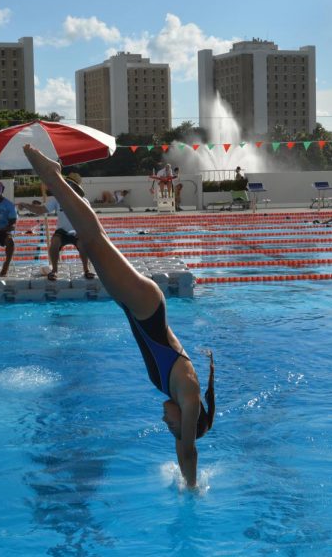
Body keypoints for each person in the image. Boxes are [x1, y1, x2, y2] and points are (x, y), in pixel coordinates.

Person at [22, 143, 215, 488]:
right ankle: (52, 175)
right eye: (172, 426)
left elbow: (183, 444)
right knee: (95, 239)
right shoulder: (188, 391)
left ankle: (55, 178)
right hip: (146, 307)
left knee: (91, 243)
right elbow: (188, 449)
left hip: (137, 309)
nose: (166, 422)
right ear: (190, 418)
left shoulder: (177, 393)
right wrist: (192, 489)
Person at [16, 177, 96, 281]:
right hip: (62, 231)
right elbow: (41, 210)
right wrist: (25, 205)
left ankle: (86, 269)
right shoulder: (57, 199)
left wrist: (83, 232)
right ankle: (54, 270)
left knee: (83, 244)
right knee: (54, 243)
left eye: (70, 186)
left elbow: (90, 218)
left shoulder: (83, 201)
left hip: (77, 230)